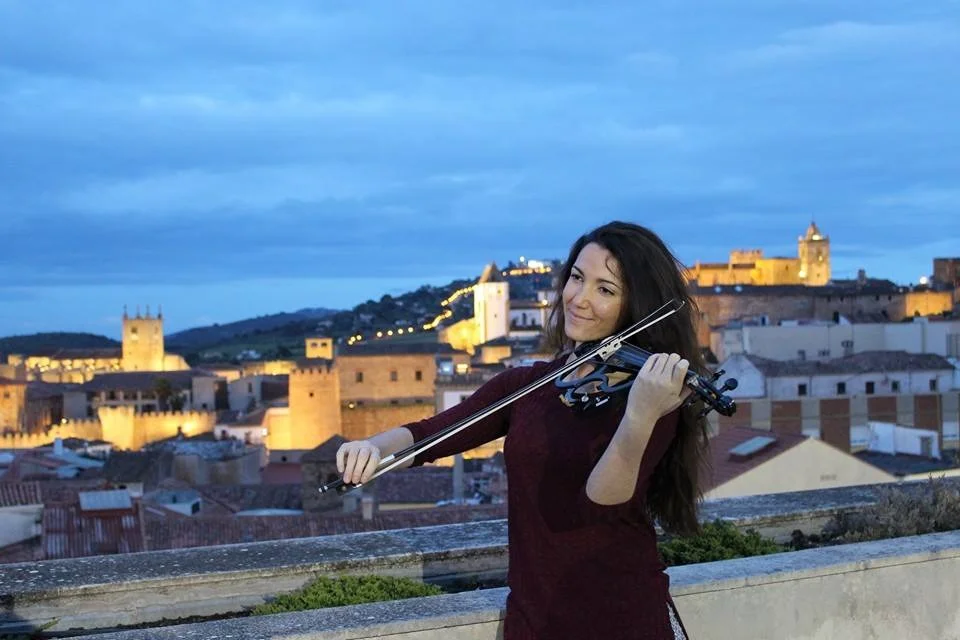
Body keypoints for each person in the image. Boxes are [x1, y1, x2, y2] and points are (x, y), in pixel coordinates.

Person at [336, 221, 708, 639]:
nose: (580, 298)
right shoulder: (527, 385)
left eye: (605, 290)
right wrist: (371, 448)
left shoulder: (652, 398)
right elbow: (429, 435)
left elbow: (599, 506)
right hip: (534, 618)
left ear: (634, 305)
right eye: (577, 278)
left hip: (623, 618)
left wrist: (639, 415)